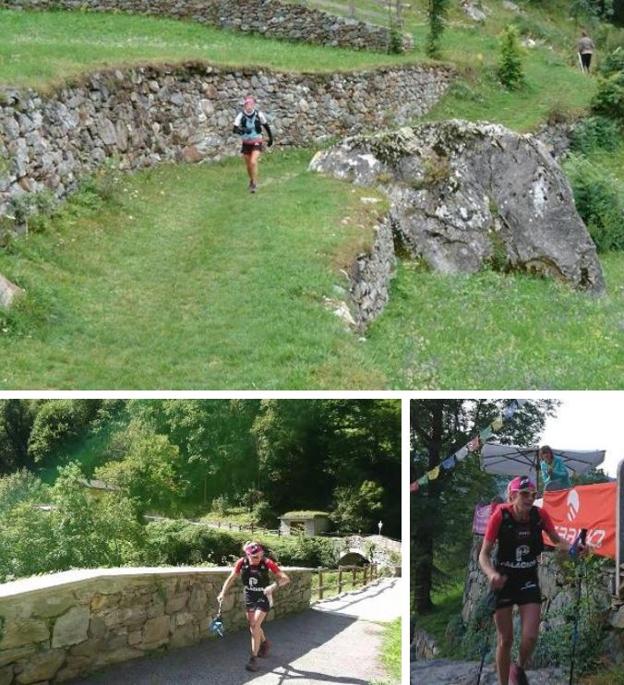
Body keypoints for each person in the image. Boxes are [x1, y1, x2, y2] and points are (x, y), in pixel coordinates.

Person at [478, 476, 581, 685]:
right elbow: (484, 555)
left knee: (531, 636)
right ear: (512, 496)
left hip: (528, 579)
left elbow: (555, 540)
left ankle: (519, 666)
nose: (530, 498)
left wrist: (572, 547)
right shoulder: (500, 516)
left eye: (533, 494)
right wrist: (491, 575)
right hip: (504, 581)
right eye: (524, 494)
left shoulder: (539, 515)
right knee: (505, 640)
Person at [217, 541, 290, 672]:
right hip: (250, 597)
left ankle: (253, 659)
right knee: (253, 625)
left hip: (263, 596)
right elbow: (231, 578)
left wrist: (273, 586)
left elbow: (285, 578)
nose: (258, 559)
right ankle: (265, 643)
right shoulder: (241, 563)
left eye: (260, 556)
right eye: (255, 557)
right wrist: (222, 592)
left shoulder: (267, 562)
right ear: (248, 555)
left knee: (255, 625)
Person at [232, 96, 273, 193]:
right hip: (246, 142)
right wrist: (242, 130)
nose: (249, 106)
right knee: (248, 164)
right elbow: (234, 129)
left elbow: (266, 126)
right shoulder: (241, 116)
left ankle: (254, 183)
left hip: (257, 141)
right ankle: (251, 180)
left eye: (251, 104)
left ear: (253, 105)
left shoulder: (259, 114)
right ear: (244, 106)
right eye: (247, 105)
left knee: (253, 161)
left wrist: (271, 138)